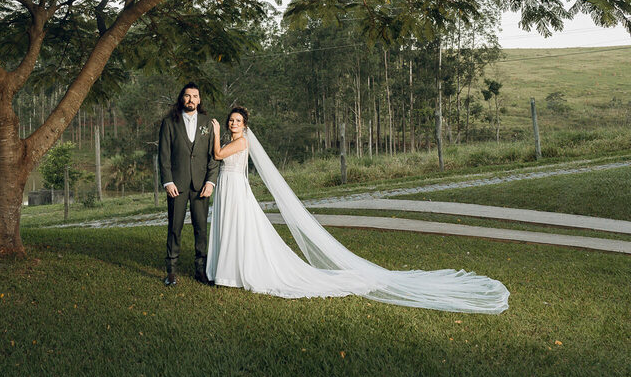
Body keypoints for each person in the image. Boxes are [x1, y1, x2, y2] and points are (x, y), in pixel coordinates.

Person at [206, 107, 510, 313]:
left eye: (236, 120)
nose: (233, 123)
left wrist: (216, 130)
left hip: (236, 190)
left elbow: (219, 154)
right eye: (230, 120)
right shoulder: (241, 139)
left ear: (244, 125)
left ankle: (235, 274)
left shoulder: (241, 142)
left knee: (239, 229)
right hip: (229, 189)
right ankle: (228, 272)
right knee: (233, 229)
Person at [158, 83, 220, 286]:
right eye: (187, 96)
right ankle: (171, 272)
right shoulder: (169, 123)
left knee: (201, 228)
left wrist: (211, 181)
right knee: (175, 228)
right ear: (181, 98)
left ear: (199, 100)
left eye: (195, 96)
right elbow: (164, 156)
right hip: (177, 184)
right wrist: (168, 181)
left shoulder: (208, 123)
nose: (191, 99)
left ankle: (200, 271)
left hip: (201, 185)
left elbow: (213, 156)